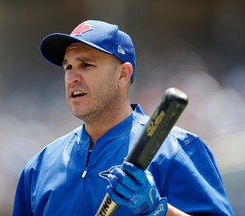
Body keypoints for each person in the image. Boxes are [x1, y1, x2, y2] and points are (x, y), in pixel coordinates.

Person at [12, 20, 233, 215]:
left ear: (123, 74)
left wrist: (159, 211)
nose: (71, 77)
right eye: (67, 67)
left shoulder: (175, 150)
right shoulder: (39, 168)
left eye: (86, 65)